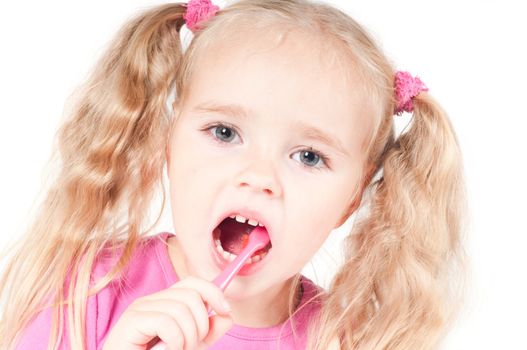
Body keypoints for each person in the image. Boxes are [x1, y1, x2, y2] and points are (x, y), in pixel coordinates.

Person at [0, 0, 469, 349]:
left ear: (352, 198)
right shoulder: (86, 289)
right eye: (224, 132)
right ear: (168, 141)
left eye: (308, 156)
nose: (258, 177)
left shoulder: (346, 341)